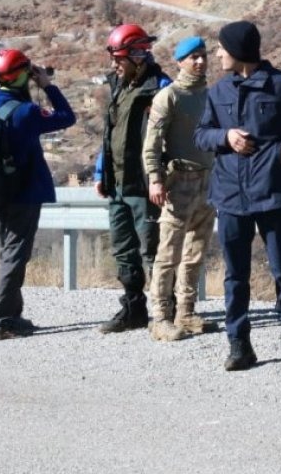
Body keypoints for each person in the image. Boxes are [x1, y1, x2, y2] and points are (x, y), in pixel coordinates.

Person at [195, 20, 281, 371]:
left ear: (239, 51)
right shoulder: (218, 92)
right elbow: (201, 134)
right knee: (234, 274)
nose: (218, 54)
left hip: (273, 193)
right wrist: (225, 138)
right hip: (230, 197)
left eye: (222, 48)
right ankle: (238, 343)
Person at [0, 49, 77, 340]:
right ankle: (0, 321)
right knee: (15, 256)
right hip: (24, 194)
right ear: (23, 75)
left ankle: (13, 315)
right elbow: (66, 117)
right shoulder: (26, 112)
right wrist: (47, 85)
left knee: (9, 254)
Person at [94, 23, 172, 334]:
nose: (115, 64)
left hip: (144, 185)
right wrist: (102, 171)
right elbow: (111, 132)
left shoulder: (161, 87)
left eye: (120, 58)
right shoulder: (119, 84)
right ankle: (133, 308)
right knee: (123, 248)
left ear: (138, 56)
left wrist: (159, 177)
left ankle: (167, 310)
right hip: (118, 184)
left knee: (152, 249)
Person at [142, 36, 216, 342]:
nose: (200, 61)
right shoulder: (168, 97)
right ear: (180, 61)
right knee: (168, 253)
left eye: (203, 56)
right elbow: (152, 144)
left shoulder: (211, 96)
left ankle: (186, 311)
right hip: (179, 182)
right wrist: (155, 179)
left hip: (207, 181)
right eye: (193, 57)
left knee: (196, 251)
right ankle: (160, 317)